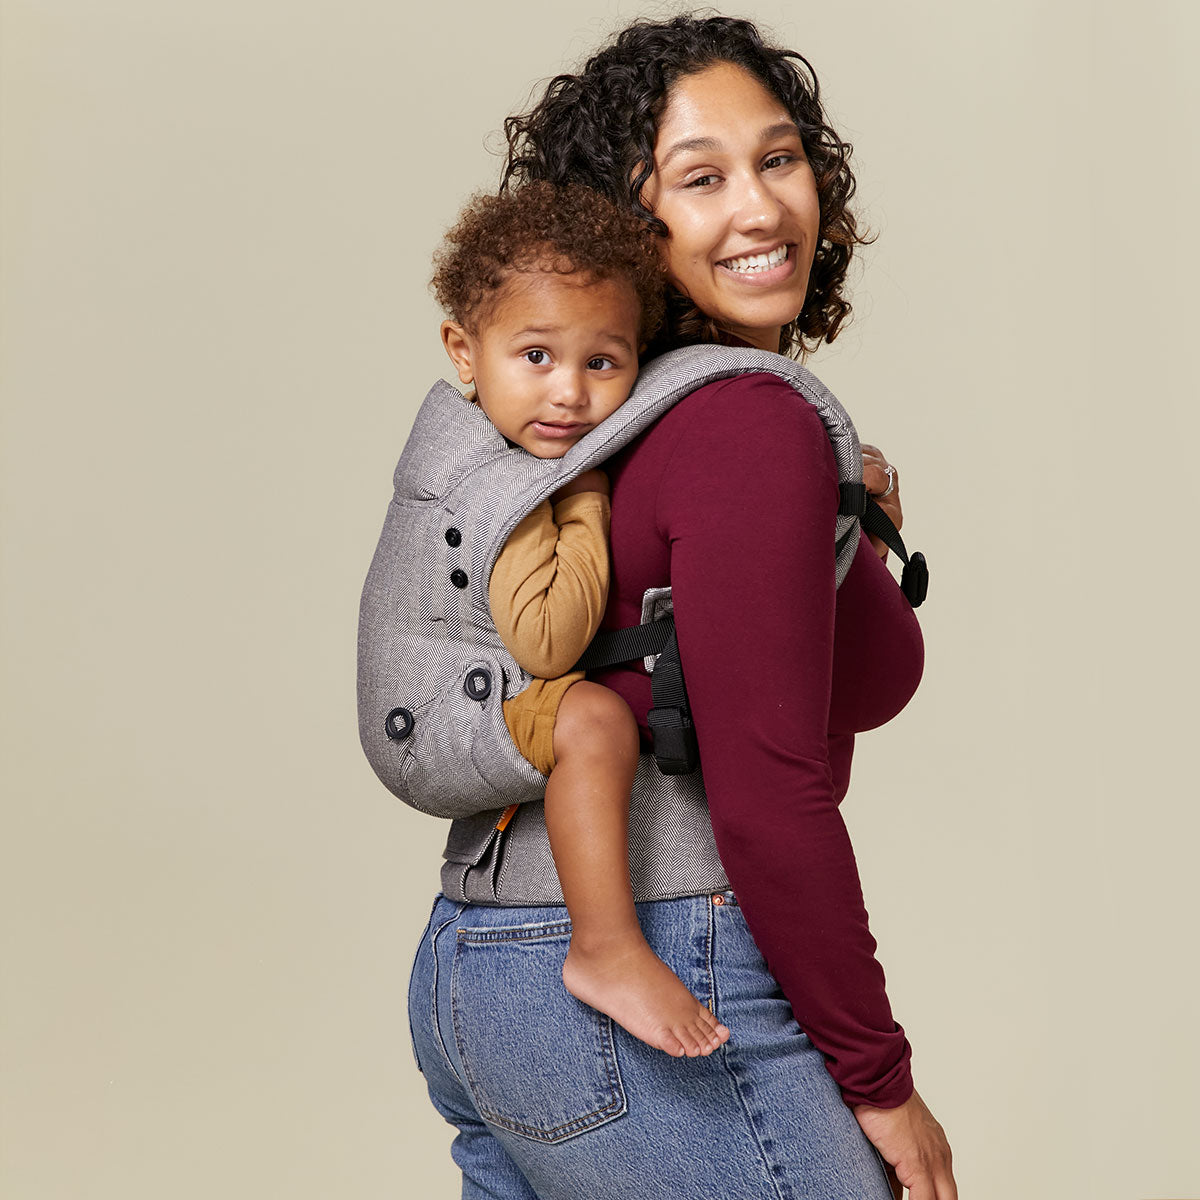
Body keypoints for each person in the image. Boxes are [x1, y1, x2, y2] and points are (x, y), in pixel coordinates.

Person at [402, 14, 958, 1199]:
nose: (760, 209)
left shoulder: (617, 425)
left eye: (778, 157)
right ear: (621, 220)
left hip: (480, 970)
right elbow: (765, 797)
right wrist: (880, 1077)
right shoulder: (741, 426)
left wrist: (845, 513)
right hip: (655, 963)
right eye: (700, 179)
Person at [431, 181, 730, 1059]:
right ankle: (604, 946)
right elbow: (549, 642)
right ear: (464, 350)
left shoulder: (525, 441)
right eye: (535, 356)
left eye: (603, 363)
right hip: (472, 706)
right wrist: (593, 489)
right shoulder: (514, 484)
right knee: (593, 720)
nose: (568, 394)